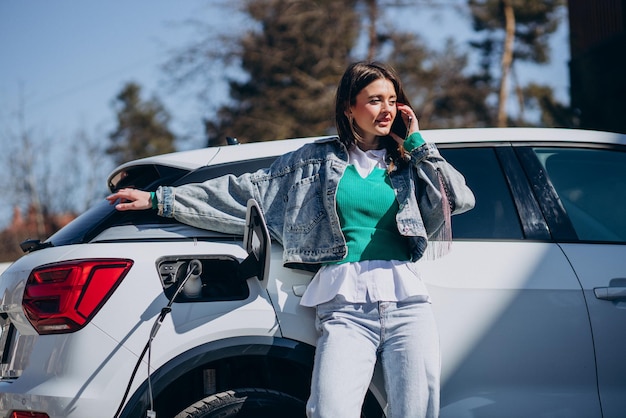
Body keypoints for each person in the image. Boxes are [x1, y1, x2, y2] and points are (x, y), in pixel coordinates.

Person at [107, 61, 475, 418]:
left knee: (417, 411)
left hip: (407, 305)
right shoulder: (314, 162)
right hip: (345, 307)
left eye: (393, 101)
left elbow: (457, 198)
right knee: (330, 409)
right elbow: (247, 191)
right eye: (375, 99)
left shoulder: (408, 163)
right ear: (349, 107)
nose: (387, 110)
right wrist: (160, 199)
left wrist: (418, 141)